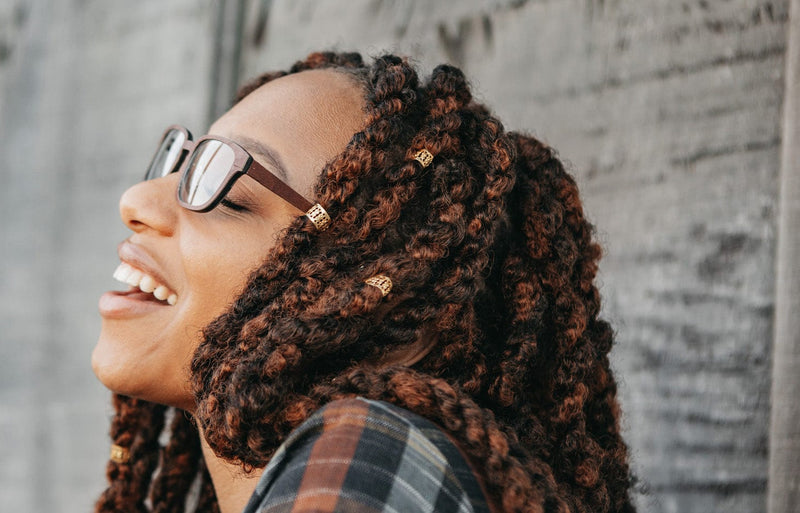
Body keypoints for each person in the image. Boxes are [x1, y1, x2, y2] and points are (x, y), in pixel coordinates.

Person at [92, 51, 636, 513]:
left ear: (397, 308)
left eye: (223, 187)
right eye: (180, 163)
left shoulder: (368, 458)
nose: (137, 201)